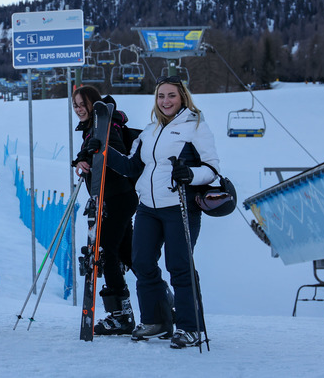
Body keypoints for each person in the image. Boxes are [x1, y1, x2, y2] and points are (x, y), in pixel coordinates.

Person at [106, 75, 219, 349]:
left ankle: (191, 328)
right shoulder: (151, 129)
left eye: (171, 95)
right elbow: (133, 167)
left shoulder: (195, 126)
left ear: (182, 98)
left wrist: (190, 173)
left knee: (179, 266)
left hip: (180, 206)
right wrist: (103, 152)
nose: (165, 101)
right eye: (161, 96)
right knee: (142, 262)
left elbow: (212, 169)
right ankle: (157, 321)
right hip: (148, 207)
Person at [71, 85, 139, 336]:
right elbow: (92, 153)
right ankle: (161, 301)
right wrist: (82, 158)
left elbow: (119, 156)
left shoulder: (108, 125)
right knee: (128, 254)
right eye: (75, 105)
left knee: (106, 252)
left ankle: (120, 314)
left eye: (82, 104)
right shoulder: (93, 128)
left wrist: (96, 151)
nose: (79, 109)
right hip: (114, 198)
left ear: (94, 103)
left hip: (117, 197)